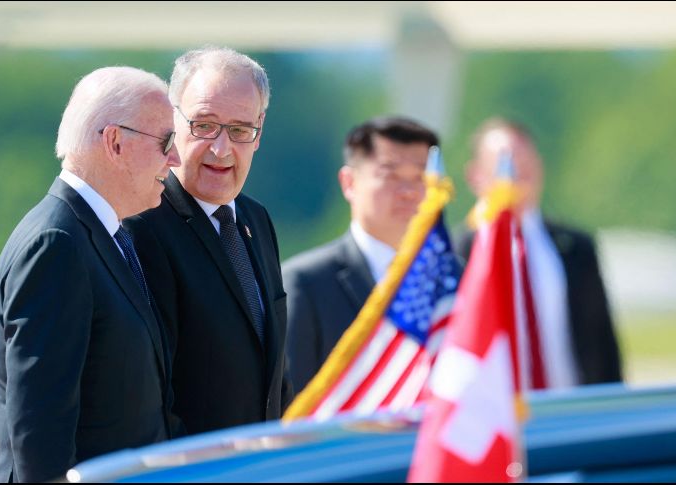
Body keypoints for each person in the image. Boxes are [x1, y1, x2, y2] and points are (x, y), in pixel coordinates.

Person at [0, 66, 181, 482]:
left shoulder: (100, 235)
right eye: (166, 141)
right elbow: (40, 430)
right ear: (114, 142)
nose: (176, 158)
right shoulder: (57, 245)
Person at [124, 46, 292, 435]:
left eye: (239, 130)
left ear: (259, 132)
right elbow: (149, 394)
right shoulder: (141, 224)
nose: (222, 148)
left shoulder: (256, 220)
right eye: (204, 125)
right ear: (172, 120)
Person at [455, 117, 622, 388]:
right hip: (494, 419)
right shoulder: (459, 252)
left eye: (526, 160)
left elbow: (603, 343)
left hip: (572, 411)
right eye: (505, 162)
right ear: (475, 175)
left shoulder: (574, 247)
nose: (518, 170)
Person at [282, 116, 439, 393]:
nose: (409, 193)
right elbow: (292, 401)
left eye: (420, 177)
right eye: (390, 175)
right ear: (349, 182)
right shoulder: (306, 283)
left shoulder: (456, 278)